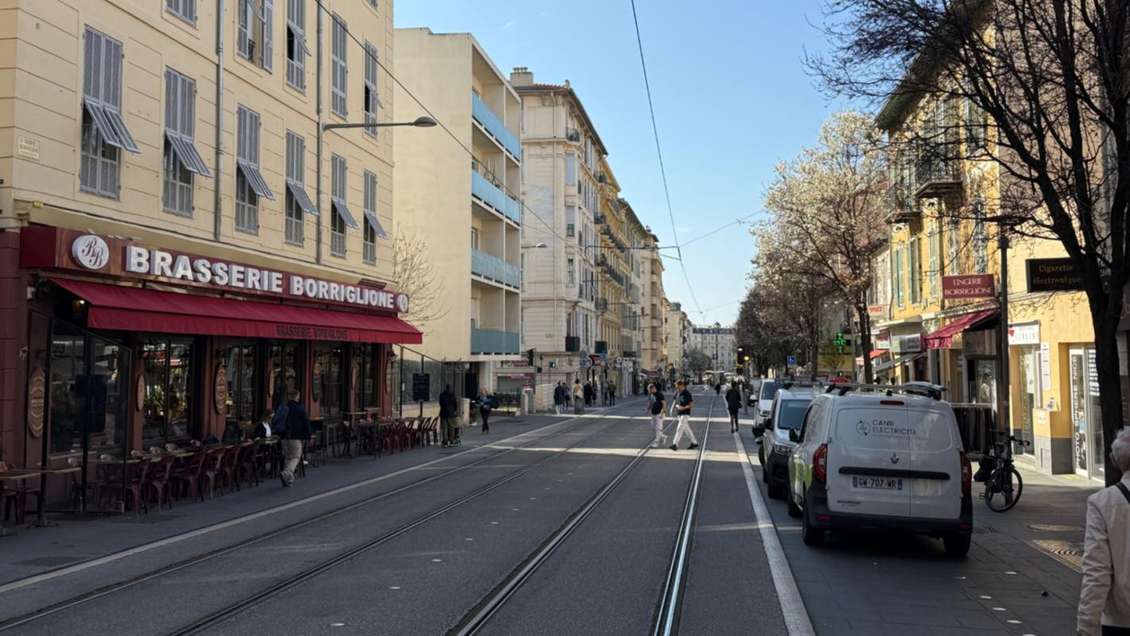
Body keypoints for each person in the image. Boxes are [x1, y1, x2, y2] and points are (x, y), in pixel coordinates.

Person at [1078, 427, 1130, 636]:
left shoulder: (1103, 503)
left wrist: (1087, 626)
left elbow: (1096, 571)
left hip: (1121, 619)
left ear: (1113, 460)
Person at [278, 390, 311, 487]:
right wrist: (308, 435)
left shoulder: (283, 407)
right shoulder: (299, 409)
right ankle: (287, 473)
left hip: (283, 437)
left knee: (288, 457)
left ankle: (288, 480)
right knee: (296, 456)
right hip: (294, 436)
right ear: (297, 396)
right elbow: (306, 422)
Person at [670, 380, 699, 451]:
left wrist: (683, 407)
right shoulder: (677, 392)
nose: (676, 388)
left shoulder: (687, 393)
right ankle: (694, 443)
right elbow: (675, 401)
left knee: (679, 428)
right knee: (687, 430)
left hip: (685, 414)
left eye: (677, 387)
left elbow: (691, 405)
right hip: (679, 414)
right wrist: (673, 408)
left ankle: (675, 444)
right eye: (676, 387)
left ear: (681, 385)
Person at [647, 383, 667, 448]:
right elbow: (651, 402)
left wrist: (662, 412)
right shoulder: (651, 395)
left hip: (659, 413)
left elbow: (664, 403)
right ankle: (663, 436)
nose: (649, 391)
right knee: (653, 427)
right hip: (653, 413)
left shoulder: (659, 394)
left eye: (649, 390)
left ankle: (656, 443)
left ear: (653, 388)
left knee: (658, 428)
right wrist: (648, 409)